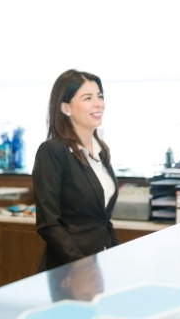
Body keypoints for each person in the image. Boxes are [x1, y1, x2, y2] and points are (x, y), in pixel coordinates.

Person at [33, 69, 119, 271]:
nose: (99, 103)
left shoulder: (101, 152)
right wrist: (81, 265)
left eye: (100, 96)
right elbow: (49, 224)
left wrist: (117, 255)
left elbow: (103, 220)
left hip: (101, 265)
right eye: (87, 98)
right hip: (69, 270)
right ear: (66, 108)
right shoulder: (52, 151)